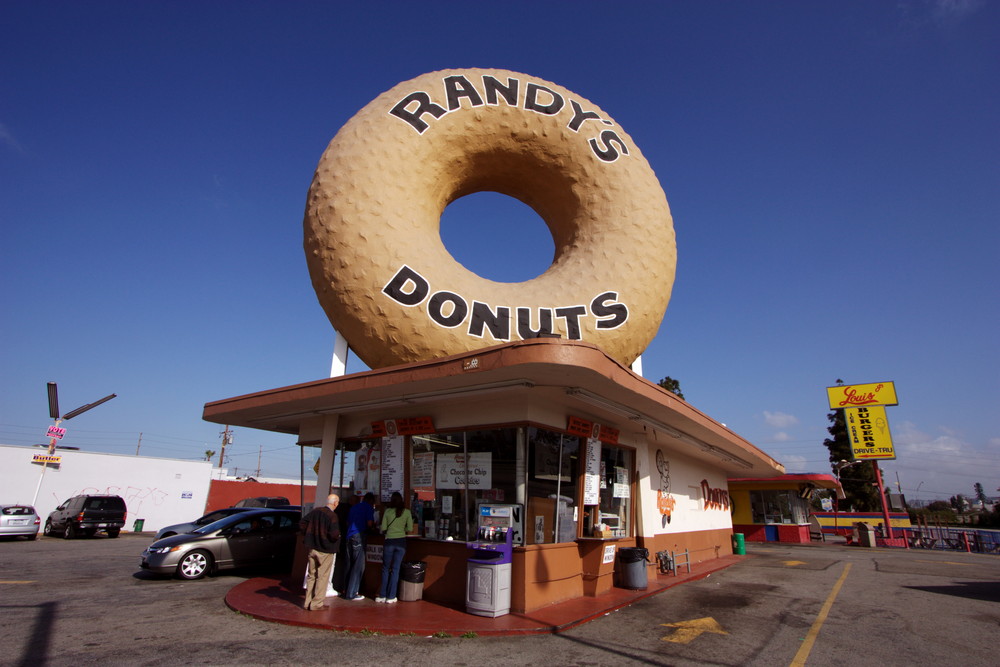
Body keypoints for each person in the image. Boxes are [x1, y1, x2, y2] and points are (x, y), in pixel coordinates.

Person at [300, 493, 341, 611]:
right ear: (335, 503)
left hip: (312, 548)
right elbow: (334, 535)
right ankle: (317, 603)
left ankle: (307, 602)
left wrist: (309, 535)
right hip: (325, 550)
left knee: (311, 575)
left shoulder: (316, 511)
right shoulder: (332, 516)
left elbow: (302, 523)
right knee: (322, 577)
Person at [376, 491, 413, 603]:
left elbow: (383, 528)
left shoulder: (387, 511)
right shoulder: (406, 512)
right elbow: (410, 528)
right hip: (401, 541)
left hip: (389, 541)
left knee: (386, 568)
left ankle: (382, 595)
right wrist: (402, 530)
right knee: (396, 569)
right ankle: (391, 596)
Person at [343, 492, 376, 601]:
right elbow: (370, 523)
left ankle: (346, 589)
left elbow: (348, 522)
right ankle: (352, 593)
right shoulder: (369, 508)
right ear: (371, 501)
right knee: (358, 565)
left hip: (349, 536)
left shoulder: (354, 507)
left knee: (349, 564)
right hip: (359, 536)